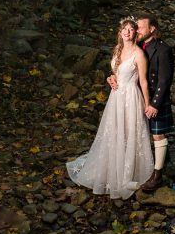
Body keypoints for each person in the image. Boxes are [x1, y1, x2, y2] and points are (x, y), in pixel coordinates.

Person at [66, 18, 154, 199]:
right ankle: (111, 168)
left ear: (135, 33)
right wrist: (110, 78)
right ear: (120, 32)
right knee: (114, 132)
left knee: (129, 132)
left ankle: (126, 172)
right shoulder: (117, 49)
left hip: (130, 96)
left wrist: (147, 104)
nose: (127, 32)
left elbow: (143, 81)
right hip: (116, 97)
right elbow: (116, 72)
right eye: (125, 29)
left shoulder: (139, 54)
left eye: (131, 29)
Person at [109, 12, 175, 192]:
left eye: (140, 27)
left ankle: (157, 175)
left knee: (157, 135)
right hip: (132, 97)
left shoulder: (163, 49)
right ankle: (133, 167)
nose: (136, 30)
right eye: (135, 27)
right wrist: (112, 77)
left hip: (154, 97)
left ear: (152, 29)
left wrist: (154, 104)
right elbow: (122, 66)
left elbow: (164, 80)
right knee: (133, 133)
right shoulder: (137, 44)